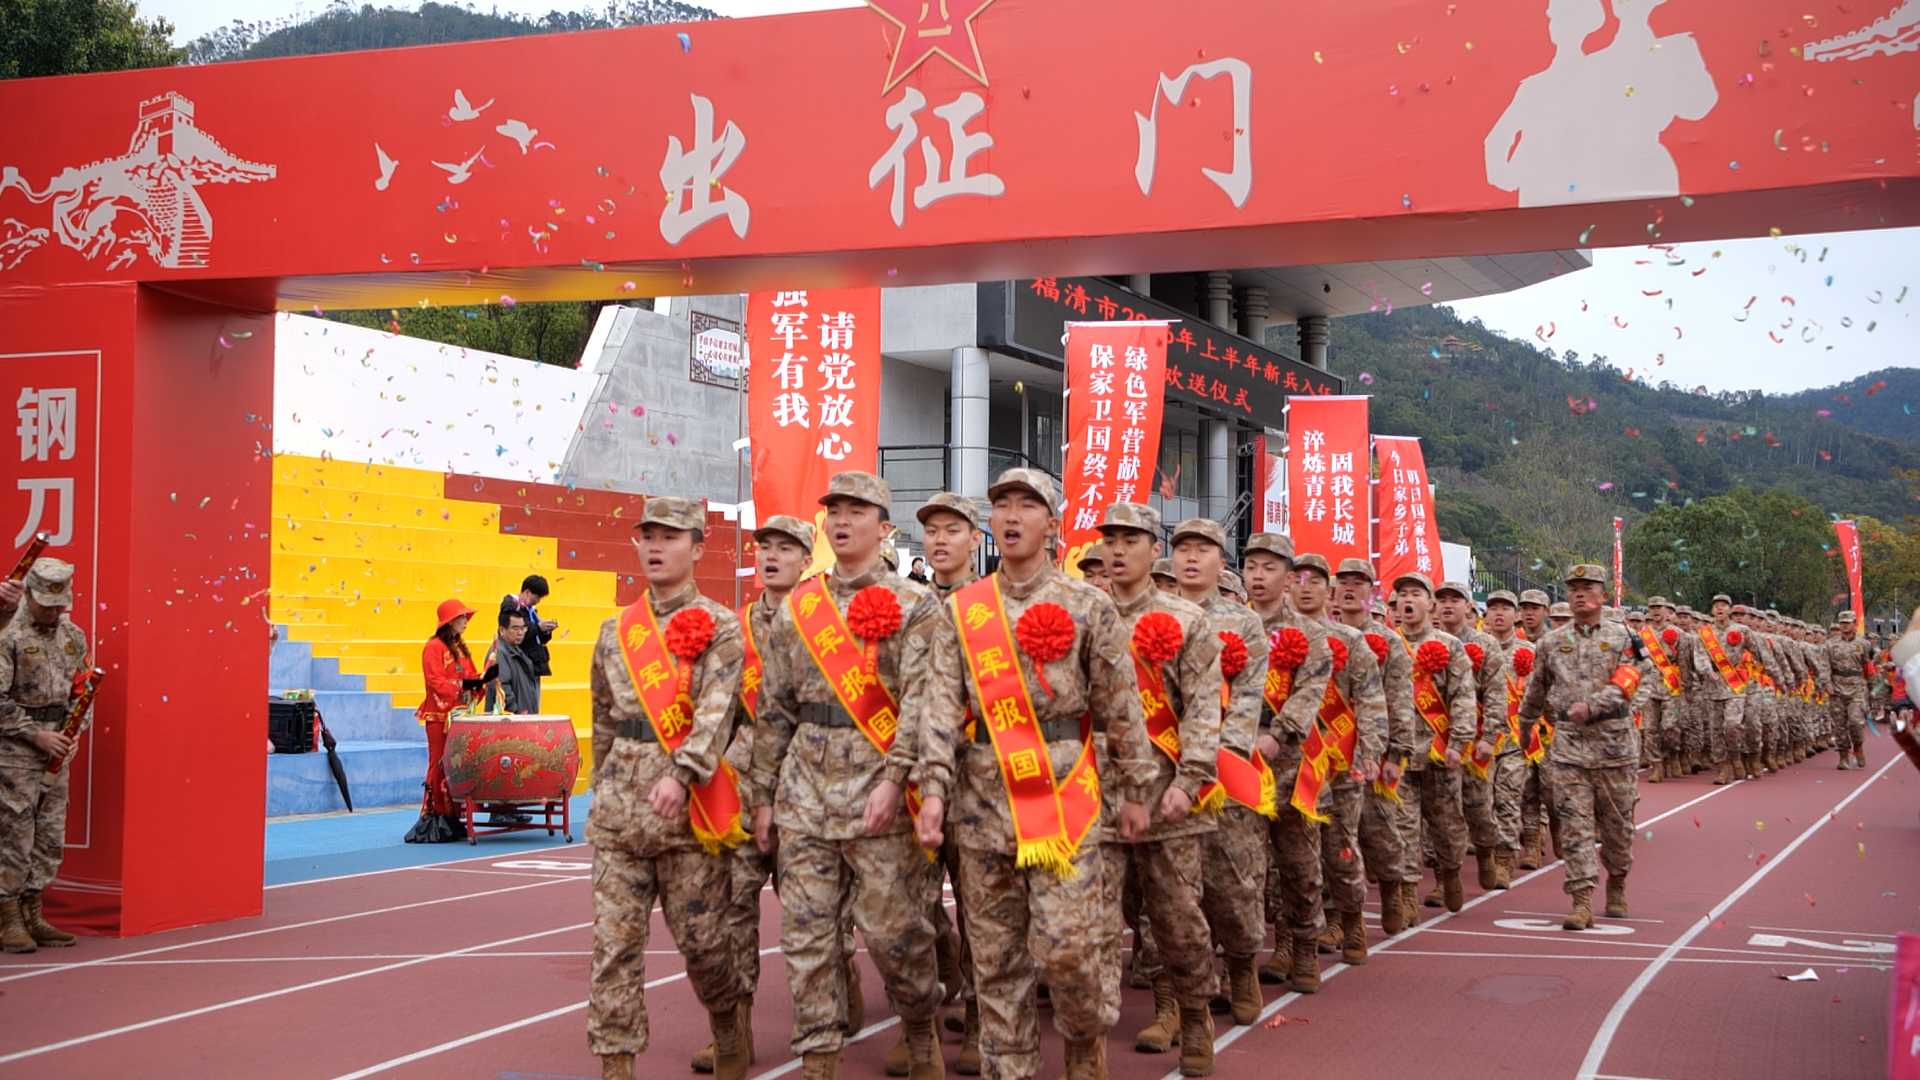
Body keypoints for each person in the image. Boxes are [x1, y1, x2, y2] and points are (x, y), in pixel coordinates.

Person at [915, 467, 1156, 1080]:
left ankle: (1083, 1045)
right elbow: (940, 707)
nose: (1012, 516)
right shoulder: (963, 611)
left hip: (1065, 798)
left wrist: (1135, 791)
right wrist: (933, 790)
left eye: (1027, 505)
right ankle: (1010, 1069)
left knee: (1069, 949)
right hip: (980, 802)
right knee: (995, 963)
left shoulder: (1088, 605)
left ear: (1052, 524)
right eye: (1002, 505)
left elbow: (1121, 706)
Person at [750, 473, 950, 1080]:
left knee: (895, 934)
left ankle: (919, 1028)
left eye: (856, 511)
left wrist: (896, 779)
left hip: (880, 794)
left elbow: (923, 702)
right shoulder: (800, 608)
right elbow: (775, 707)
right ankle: (818, 1056)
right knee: (807, 938)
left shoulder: (916, 605)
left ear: (884, 527)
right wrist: (763, 797)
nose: (841, 520)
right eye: (833, 510)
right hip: (805, 794)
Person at [587, 497, 750, 1080]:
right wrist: (601, 784)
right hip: (619, 815)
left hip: (688, 815)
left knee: (703, 944)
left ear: (697, 548)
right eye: (648, 537)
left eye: (670, 537)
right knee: (614, 948)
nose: (655, 547)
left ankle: (727, 1020)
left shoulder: (721, 626)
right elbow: (603, 718)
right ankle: (616, 1064)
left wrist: (682, 775)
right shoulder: (615, 632)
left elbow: (717, 714)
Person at [1094, 502, 1223, 1072]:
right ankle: (1089, 1041)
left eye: (1131, 540)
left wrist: (1190, 780)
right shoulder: (1083, 613)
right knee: (1094, 923)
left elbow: (1202, 709)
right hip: (1094, 794)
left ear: (1154, 550)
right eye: (1110, 540)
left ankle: (1190, 1014)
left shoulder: (1188, 621)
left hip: (1168, 796)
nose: (1118, 550)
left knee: (1176, 920)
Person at [691, 513, 816, 1076]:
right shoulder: (732, 627)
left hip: (806, 786)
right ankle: (733, 1037)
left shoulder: (825, 625)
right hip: (742, 786)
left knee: (815, 917)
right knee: (732, 912)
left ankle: (830, 1016)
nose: (771, 556)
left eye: (785, 548)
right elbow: (717, 709)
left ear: (806, 561)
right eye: (765, 546)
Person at [1166, 520, 1272, 1019]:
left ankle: (1242, 965)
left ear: (1221, 561)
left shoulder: (1243, 623)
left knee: (1232, 882)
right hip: (1164, 769)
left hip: (1223, 771)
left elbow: (1248, 701)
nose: (1191, 558)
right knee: (1166, 895)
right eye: (1182, 549)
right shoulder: (1153, 615)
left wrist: (1214, 762)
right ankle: (1174, 1002)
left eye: (1202, 550)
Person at [1518, 564, 1649, 930]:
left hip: (1614, 745)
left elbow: (1635, 677)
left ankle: (1617, 881)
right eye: (1573, 587)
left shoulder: (1625, 637)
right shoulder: (1551, 642)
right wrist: (1525, 726)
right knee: (1574, 825)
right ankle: (1581, 900)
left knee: (1617, 829)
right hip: (1569, 747)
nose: (1579, 593)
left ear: (1603, 595)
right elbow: (1536, 689)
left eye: (1587, 587)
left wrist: (1594, 705)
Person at [1285, 553, 1388, 970]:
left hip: (1340, 763)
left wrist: (1371, 751)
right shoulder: (1271, 636)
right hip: (1289, 764)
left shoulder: (1349, 640)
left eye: (1316, 581)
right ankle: (1295, 941)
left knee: (1340, 848)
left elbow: (1371, 699)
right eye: (1299, 580)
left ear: (1328, 591)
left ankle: (1351, 919)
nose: (1306, 588)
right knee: (1291, 860)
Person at [913, 491, 986, 1071]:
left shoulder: (992, 607)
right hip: (915, 776)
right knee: (910, 905)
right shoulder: (904, 606)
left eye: (952, 530)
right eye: (932, 530)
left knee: (981, 905)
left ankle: (981, 1021)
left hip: (979, 778)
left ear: (975, 539)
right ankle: (921, 1023)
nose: (940, 540)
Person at [0, 559, 89, 953]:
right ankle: (8, 915)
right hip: (15, 753)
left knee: (49, 834)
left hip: (57, 751)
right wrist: (35, 735)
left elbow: (83, 691)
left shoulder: (73, 636)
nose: (54, 611)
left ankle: (34, 910)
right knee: (14, 834)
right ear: (30, 596)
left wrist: (72, 732)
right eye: (46, 604)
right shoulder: (9, 635)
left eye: (60, 604)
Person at [1329, 559, 1415, 936]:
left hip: (1371, 750)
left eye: (1359, 583)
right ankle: (1336, 918)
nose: (1350, 589)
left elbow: (1400, 700)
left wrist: (1395, 753)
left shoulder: (1389, 641)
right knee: (1334, 837)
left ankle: (1393, 887)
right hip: (1327, 752)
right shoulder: (1320, 634)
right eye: (1343, 582)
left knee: (1378, 830)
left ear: (1372, 592)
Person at [1387, 572, 1477, 917]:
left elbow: (1463, 697)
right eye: (1402, 595)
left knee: (1447, 825)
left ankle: (1450, 871)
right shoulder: (1387, 643)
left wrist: (1459, 741)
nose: (1407, 600)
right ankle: (1408, 894)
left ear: (1430, 604)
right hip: (1399, 753)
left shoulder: (1449, 646)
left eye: (1415, 594)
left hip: (1440, 752)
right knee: (1403, 826)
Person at [1436, 581, 1512, 895]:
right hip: (1437, 739)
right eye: (1442, 600)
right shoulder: (1426, 641)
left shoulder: (1485, 644)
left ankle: (1485, 850)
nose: (1448, 605)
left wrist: (1490, 736)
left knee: (1478, 807)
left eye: (1455, 600)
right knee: (1443, 813)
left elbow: (1496, 693)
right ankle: (1446, 876)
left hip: (1476, 738)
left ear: (1469, 607)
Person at [417, 599, 496, 821]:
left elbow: (470, 677)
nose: (465, 621)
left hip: (460, 717)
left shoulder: (460, 648)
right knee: (438, 764)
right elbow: (435, 681)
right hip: (440, 717)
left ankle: (454, 816)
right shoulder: (433, 647)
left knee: (456, 766)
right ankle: (434, 815)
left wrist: (484, 678)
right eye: (461, 617)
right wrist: (467, 684)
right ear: (449, 621)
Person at [502, 573, 557, 681]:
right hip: (520, 662)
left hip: (533, 663)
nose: (538, 601)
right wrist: (538, 627)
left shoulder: (531, 611)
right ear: (527, 592)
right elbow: (515, 634)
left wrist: (546, 630)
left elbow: (538, 639)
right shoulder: (511, 607)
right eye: (537, 597)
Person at [486, 609, 542, 715]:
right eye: (515, 628)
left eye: (523, 628)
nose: (520, 633)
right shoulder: (498, 652)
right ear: (502, 630)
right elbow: (502, 686)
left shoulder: (516, 650)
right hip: (510, 719)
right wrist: (515, 711)